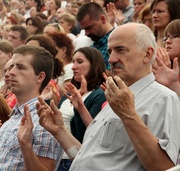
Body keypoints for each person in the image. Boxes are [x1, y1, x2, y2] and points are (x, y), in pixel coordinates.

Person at [36, 23, 180, 170]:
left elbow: (164, 168)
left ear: (147, 54)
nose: (111, 59)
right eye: (110, 51)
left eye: (120, 50)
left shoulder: (164, 98)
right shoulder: (116, 98)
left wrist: (128, 115)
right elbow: (86, 158)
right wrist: (60, 131)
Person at [0, 45, 63, 170]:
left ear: (40, 77)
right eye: (12, 66)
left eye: (21, 67)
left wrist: (25, 145)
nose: (11, 72)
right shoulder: (12, 119)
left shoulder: (43, 120)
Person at [76, 2, 114, 76]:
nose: (86, 33)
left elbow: (116, 74)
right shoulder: (91, 48)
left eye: (89, 28)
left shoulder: (117, 43)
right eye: (84, 29)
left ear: (103, 19)